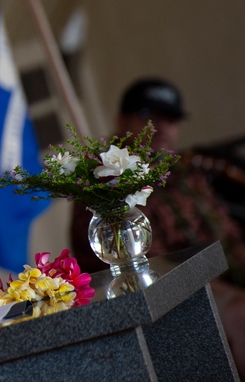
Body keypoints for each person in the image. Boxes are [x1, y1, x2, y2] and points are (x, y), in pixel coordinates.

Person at [69, 77, 245, 373]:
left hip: (221, 276)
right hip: (164, 297)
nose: (161, 127)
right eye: (148, 116)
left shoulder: (183, 170)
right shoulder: (105, 180)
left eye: (171, 118)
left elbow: (228, 238)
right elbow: (149, 271)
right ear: (121, 120)